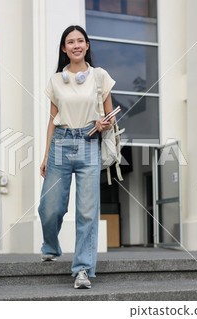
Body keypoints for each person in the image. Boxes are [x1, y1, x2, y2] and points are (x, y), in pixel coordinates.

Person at [38, 25, 116, 289]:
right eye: (70, 42)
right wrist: (47, 154)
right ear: (64, 48)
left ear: (87, 45)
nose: (75, 45)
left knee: (86, 212)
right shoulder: (56, 80)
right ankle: (50, 245)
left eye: (80, 40)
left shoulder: (100, 76)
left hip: (89, 143)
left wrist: (105, 124)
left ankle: (82, 269)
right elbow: (51, 120)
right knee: (49, 208)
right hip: (60, 142)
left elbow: (110, 115)